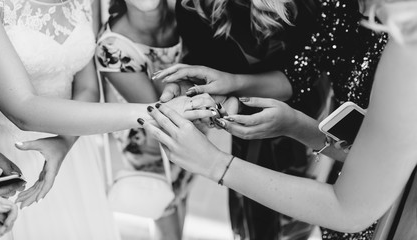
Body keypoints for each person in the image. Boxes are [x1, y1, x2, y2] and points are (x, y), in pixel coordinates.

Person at [139, 0, 417, 234]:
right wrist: (232, 83)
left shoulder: (407, 47)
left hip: (386, 212)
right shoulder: (344, 7)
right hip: (339, 165)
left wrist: (214, 163)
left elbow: (350, 208)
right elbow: (304, 70)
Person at [0, 0, 211, 238]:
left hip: (72, 147)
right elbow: (23, 109)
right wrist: (156, 112)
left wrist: (64, 142)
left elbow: (88, 88)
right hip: (11, 152)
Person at [155, 0, 321, 239]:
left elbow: (301, 77)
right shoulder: (194, 6)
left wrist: (233, 86)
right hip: (247, 121)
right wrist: (191, 85)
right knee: (252, 216)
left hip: (306, 121)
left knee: (293, 218)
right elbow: (208, 61)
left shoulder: (305, 5)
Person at [95, 0, 192, 238]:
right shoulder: (112, 46)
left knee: (180, 195)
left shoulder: (187, 14)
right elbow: (158, 111)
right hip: (150, 141)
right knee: (162, 207)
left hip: (191, 129)